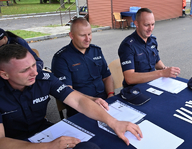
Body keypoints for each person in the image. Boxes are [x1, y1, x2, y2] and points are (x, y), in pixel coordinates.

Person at [0, 44, 142, 148]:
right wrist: (48, 146)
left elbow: (78, 100)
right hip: (14, 142)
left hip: (44, 132)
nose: (34, 73)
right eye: (25, 70)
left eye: (33, 65)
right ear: (4, 74)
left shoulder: (43, 78)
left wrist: (113, 122)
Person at [52, 18, 115, 117]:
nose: (87, 39)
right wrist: (93, 100)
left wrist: (111, 95)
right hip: (80, 109)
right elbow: (67, 92)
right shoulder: (61, 59)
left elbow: (107, 76)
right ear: (71, 35)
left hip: (105, 103)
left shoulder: (96, 51)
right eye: (82, 35)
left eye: (89, 34)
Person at [118, 8, 181, 87]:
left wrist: (165, 69)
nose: (150, 29)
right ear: (136, 24)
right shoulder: (127, 46)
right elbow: (130, 78)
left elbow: (156, 61)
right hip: (135, 89)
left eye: (153, 24)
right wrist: (161, 73)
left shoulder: (152, 40)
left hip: (153, 84)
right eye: (146, 25)